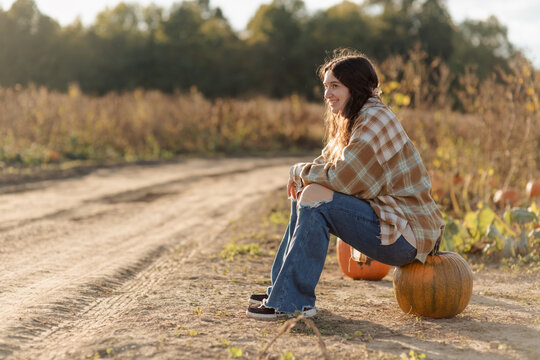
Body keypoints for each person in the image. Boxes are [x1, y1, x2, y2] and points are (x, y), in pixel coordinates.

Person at [246, 49, 445, 320]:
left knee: (314, 197)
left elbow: (342, 177)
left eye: (335, 86)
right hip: (389, 223)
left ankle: (293, 301)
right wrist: (302, 176)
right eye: (326, 86)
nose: (327, 94)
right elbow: (326, 162)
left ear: (355, 87)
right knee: (307, 193)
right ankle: (282, 291)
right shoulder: (355, 117)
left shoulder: (374, 118)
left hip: (406, 234)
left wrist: (299, 172)